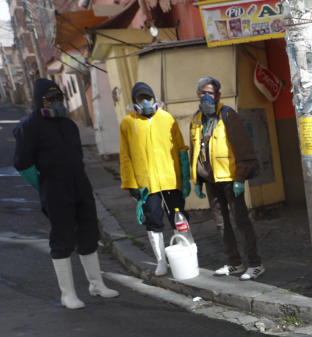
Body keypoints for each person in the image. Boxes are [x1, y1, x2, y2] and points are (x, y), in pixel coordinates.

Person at [13, 79, 119, 309]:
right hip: (55, 189)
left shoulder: (68, 124)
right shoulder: (29, 127)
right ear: (39, 101)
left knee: (89, 232)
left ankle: (96, 284)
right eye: (50, 99)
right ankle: (67, 294)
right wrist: (43, 187)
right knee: (63, 238)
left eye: (59, 98)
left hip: (80, 185)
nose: (56, 103)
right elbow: (22, 164)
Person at [189, 77, 264, 280]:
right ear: (198, 95)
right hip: (211, 180)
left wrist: (240, 178)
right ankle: (234, 262)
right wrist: (196, 180)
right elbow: (195, 151)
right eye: (203, 92)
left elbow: (244, 150)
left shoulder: (228, 116)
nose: (207, 96)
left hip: (230, 178)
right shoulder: (196, 119)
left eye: (211, 93)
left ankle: (255, 264)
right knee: (221, 223)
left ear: (218, 95)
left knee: (241, 220)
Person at [119, 82, 191, 276]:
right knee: (153, 220)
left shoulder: (167, 118)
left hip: (170, 179)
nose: (145, 102)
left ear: (154, 99)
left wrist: (185, 179)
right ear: (134, 102)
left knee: (179, 217)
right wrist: (131, 184)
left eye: (148, 98)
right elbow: (125, 156)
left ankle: (187, 256)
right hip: (146, 184)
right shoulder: (128, 123)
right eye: (140, 99)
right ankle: (161, 261)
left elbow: (181, 148)